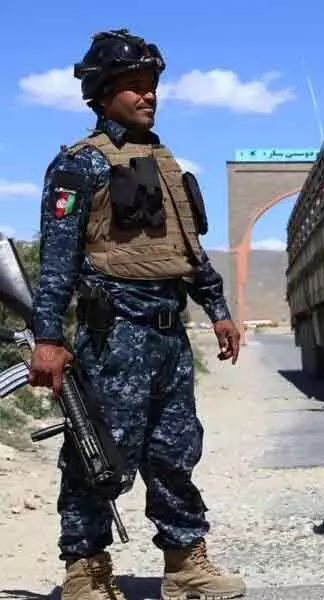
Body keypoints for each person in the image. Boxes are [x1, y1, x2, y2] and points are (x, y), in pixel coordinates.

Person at [27, 29, 246, 599]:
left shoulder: (164, 161)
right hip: (112, 333)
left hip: (169, 335)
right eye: (133, 86)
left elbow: (186, 251)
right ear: (102, 94)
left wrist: (218, 308)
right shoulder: (79, 165)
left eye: (150, 86)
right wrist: (48, 338)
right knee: (97, 451)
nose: (147, 96)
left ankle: (185, 564)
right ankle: (85, 571)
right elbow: (57, 261)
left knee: (175, 452)